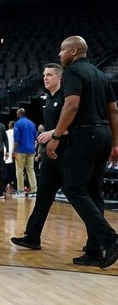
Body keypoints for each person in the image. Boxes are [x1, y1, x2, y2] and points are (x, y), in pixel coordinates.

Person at [42, 36, 118, 268]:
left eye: (62, 50)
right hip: (103, 135)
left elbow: (72, 105)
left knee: (74, 188)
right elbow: (113, 110)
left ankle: (111, 239)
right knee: (93, 193)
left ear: (73, 51)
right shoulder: (99, 74)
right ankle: (94, 250)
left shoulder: (73, 72)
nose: (59, 55)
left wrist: (55, 136)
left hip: (85, 135)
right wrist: (115, 143)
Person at [11, 64, 67, 251]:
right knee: (43, 195)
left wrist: (52, 133)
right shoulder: (49, 100)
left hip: (67, 153)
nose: (45, 78)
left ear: (60, 77)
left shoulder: (66, 98)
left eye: (49, 75)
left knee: (78, 196)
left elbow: (72, 126)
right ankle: (32, 237)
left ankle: (102, 238)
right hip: (51, 154)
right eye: (44, 75)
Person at [13, 108, 38, 198]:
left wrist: (14, 151)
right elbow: (36, 137)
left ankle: (20, 191)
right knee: (31, 170)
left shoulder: (17, 124)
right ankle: (34, 190)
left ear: (19, 114)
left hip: (21, 150)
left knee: (19, 170)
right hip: (31, 150)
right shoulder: (32, 124)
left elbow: (16, 140)